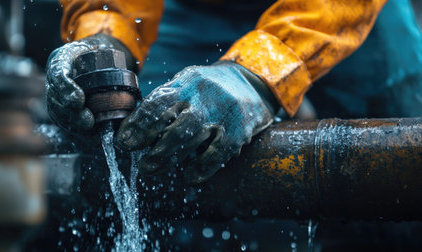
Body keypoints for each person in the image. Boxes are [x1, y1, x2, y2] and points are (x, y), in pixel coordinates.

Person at [46, 0, 421, 183]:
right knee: (153, 151)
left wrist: (259, 74)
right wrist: (105, 32)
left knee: (401, 148)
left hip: (335, 9)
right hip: (187, 10)